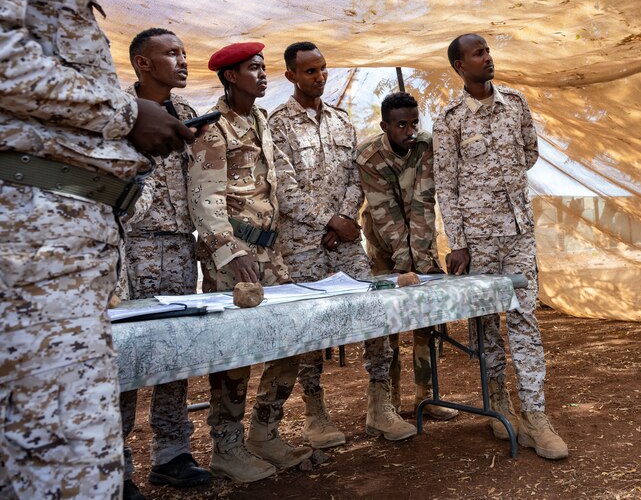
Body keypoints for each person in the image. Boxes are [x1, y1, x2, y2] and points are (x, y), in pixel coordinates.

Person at [0, 0, 194, 498]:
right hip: (33, 251)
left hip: (62, 250)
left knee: (50, 461)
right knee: (70, 467)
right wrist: (124, 113)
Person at [269, 41, 415, 446]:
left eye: (323, 69)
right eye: (310, 71)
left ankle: (379, 407)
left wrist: (347, 220)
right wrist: (328, 220)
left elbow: (357, 177)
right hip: (301, 244)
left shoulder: (341, 121)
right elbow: (283, 186)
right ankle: (316, 415)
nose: (319, 77)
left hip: (346, 242)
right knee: (309, 328)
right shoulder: (277, 124)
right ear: (291, 76)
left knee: (374, 316)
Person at [434, 33, 568, 460]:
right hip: (476, 242)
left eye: (488, 51)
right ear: (460, 66)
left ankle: (535, 415)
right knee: (487, 326)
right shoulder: (449, 119)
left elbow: (529, 152)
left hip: (517, 233)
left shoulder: (515, 102)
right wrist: (457, 242)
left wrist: (499, 182)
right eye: (478, 54)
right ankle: (498, 406)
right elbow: (446, 186)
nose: (487, 58)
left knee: (526, 319)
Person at [187, 42, 312, 483]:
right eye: (252, 68)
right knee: (234, 353)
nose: (262, 74)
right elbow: (204, 200)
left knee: (293, 339)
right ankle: (227, 447)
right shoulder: (213, 129)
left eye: (263, 67)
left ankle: (265, 431)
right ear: (230, 77)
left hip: (270, 252)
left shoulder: (261, 121)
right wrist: (230, 252)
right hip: (234, 257)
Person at [119, 29, 212, 498]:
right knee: (127, 354)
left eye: (183, 51)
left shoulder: (190, 113)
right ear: (142, 64)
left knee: (175, 352)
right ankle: (116, 465)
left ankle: (172, 453)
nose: (181, 59)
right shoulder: (119, 110)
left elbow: (201, 183)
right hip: (131, 247)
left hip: (179, 246)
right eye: (170, 53)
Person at [357, 91, 457, 422]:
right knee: (387, 326)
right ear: (385, 125)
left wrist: (424, 263)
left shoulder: (426, 146)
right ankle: (390, 401)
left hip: (422, 241)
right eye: (401, 125)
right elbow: (384, 215)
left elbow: (424, 205)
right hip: (384, 249)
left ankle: (427, 397)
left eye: (415, 122)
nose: (410, 131)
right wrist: (403, 266)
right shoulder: (369, 157)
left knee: (424, 321)